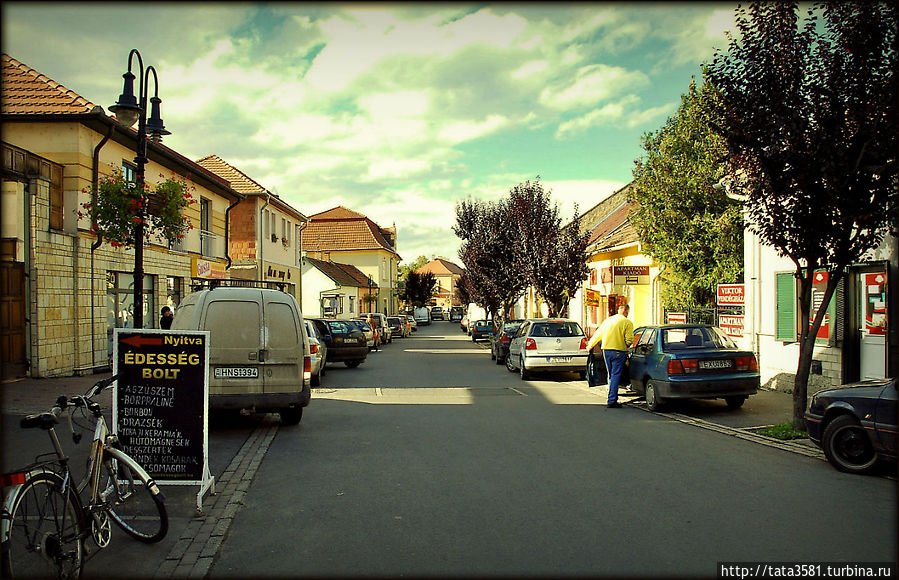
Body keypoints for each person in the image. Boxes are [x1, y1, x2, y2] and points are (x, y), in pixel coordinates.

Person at [586, 303, 634, 408]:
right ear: (626, 312)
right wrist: (625, 345)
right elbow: (629, 340)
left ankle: (611, 396)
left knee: (610, 374)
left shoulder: (608, 321)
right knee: (616, 374)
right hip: (619, 351)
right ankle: (612, 400)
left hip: (606, 350)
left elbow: (598, 334)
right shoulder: (627, 322)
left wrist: (590, 345)